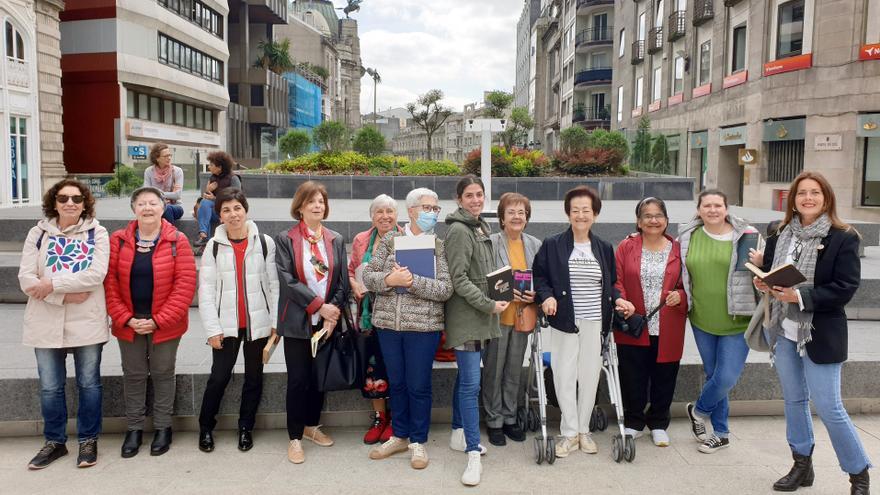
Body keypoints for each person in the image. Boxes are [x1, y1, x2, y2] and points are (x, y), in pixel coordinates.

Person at [751, 172, 870, 494]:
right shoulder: (779, 234)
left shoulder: (843, 237)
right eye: (801, 193)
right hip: (785, 330)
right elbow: (773, 275)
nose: (807, 198)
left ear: (826, 198)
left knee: (830, 407)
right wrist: (763, 282)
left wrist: (800, 296)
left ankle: (858, 474)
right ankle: (802, 466)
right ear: (792, 199)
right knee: (794, 401)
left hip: (820, 332)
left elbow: (845, 288)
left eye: (814, 192)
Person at [533, 185, 629, 459]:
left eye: (586, 210)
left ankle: (583, 430)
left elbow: (610, 284)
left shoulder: (603, 247)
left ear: (595, 214)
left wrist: (619, 299)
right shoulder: (553, 245)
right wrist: (547, 297)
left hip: (596, 322)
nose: (580, 215)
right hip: (565, 321)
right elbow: (539, 277)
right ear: (568, 214)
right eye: (575, 210)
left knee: (589, 376)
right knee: (564, 376)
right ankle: (569, 432)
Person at [20, 179, 110, 470]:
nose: (69, 203)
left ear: (85, 202)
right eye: (63, 198)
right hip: (45, 319)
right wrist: (65, 294)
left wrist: (52, 284)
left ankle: (88, 441)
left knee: (89, 383)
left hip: (86, 320)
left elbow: (95, 275)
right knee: (50, 387)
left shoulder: (98, 233)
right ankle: (55, 442)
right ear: (53, 202)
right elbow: (26, 279)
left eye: (76, 198)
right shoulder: (37, 233)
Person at [363, 187, 453, 469]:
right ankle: (399, 435)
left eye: (436, 209)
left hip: (423, 328)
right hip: (389, 326)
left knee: (418, 385)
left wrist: (412, 282)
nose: (433, 214)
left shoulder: (439, 245)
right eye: (428, 208)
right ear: (412, 210)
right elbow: (368, 275)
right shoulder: (390, 240)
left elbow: (445, 289)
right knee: (398, 383)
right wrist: (390, 280)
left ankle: (418, 441)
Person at [104, 187, 197, 458]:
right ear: (134, 208)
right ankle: (133, 429)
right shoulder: (118, 240)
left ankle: (163, 427)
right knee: (133, 375)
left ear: (162, 207)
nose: (147, 208)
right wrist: (125, 318)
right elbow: (110, 283)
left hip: (166, 324)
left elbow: (185, 285)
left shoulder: (177, 240)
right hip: (128, 323)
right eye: (141, 203)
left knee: (162, 373)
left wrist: (158, 320)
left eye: (153, 203)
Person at [197, 188, 279, 453]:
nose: (232, 214)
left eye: (237, 208)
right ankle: (206, 426)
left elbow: (274, 285)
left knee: (254, 378)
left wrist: (275, 322)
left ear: (245, 210)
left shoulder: (264, 242)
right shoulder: (213, 246)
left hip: (258, 323)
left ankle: (246, 427)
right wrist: (212, 329)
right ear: (219, 216)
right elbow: (206, 291)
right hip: (225, 325)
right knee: (218, 377)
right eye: (226, 210)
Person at [678, 189, 757, 453]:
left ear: (727, 208)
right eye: (707, 205)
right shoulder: (688, 236)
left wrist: (762, 262)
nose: (713, 210)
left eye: (718, 205)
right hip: (701, 320)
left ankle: (698, 411)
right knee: (713, 374)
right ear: (699, 209)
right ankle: (721, 433)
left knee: (726, 377)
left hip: (737, 320)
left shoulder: (747, 236)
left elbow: (765, 271)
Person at [275, 181, 348, 464]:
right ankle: (294, 437)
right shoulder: (287, 239)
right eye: (312, 201)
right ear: (300, 207)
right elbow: (287, 280)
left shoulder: (335, 239)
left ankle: (310, 426)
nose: (318, 206)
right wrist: (320, 306)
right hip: (297, 322)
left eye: (321, 201)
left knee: (319, 379)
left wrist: (333, 313)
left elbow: (341, 282)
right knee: (298, 380)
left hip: (326, 323)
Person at [444, 175, 509, 486]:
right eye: (469, 195)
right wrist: (488, 304)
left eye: (479, 194)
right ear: (459, 199)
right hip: (468, 318)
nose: (475, 200)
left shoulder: (481, 225)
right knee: (471, 384)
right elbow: (458, 279)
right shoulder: (458, 230)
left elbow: (486, 272)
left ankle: (458, 431)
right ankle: (472, 451)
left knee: (465, 380)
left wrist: (502, 294)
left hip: (483, 314)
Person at [613, 197, 687, 448]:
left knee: (665, 375)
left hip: (668, 324)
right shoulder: (626, 246)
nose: (653, 220)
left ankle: (658, 423)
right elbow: (617, 280)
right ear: (638, 221)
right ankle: (634, 422)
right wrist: (622, 302)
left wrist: (682, 296)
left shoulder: (679, 249)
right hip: (633, 322)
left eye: (658, 215)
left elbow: (690, 283)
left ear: (666, 220)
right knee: (632, 374)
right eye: (647, 215)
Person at [483, 192, 541, 447]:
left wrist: (535, 293)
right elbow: (483, 277)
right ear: (502, 218)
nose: (517, 217)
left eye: (521, 213)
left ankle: (509, 417)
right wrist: (505, 291)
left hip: (523, 316)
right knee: (494, 370)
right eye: (511, 212)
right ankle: (494, 420)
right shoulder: (491, 243)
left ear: (526, 218)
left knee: (514, 370)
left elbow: (542, 278)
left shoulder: (535, 244)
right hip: (498, 315)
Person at [349, 194, 402, 445]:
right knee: (373, 368)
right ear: (372, 216)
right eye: (379, 212)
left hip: (397, 316)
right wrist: (353, 284)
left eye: (390, 211)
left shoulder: (406, 238)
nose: (385, 216)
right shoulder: (361, 240)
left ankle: (396, 419)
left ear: (397, 215)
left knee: (397, 368)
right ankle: (379, 417)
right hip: (369, 316)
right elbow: (350, 270)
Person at [194, 151, 242, 246]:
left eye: (211, 165)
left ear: (219, 167)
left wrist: (215, 198)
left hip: (227, 212)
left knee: (206, 203)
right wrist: (208, 190)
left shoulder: (233, 179)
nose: (209, 167)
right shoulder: (213, 177)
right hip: (214, 211)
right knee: (205, 202)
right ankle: (203, 235)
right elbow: (207, 198)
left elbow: (236, 199)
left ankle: (204, 238)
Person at [143, 143, 184, 224]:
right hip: (154, 206)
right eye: (165, 156)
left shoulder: (177, 171)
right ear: (157, 158)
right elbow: (146, 193)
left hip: (175, 206)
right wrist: (166, 195)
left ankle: (169, 235)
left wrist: (157, 193)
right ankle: (169, 235)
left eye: (170, 155)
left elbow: (177, 195)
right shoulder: (149, 171)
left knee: (166, 208)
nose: (169, 158)